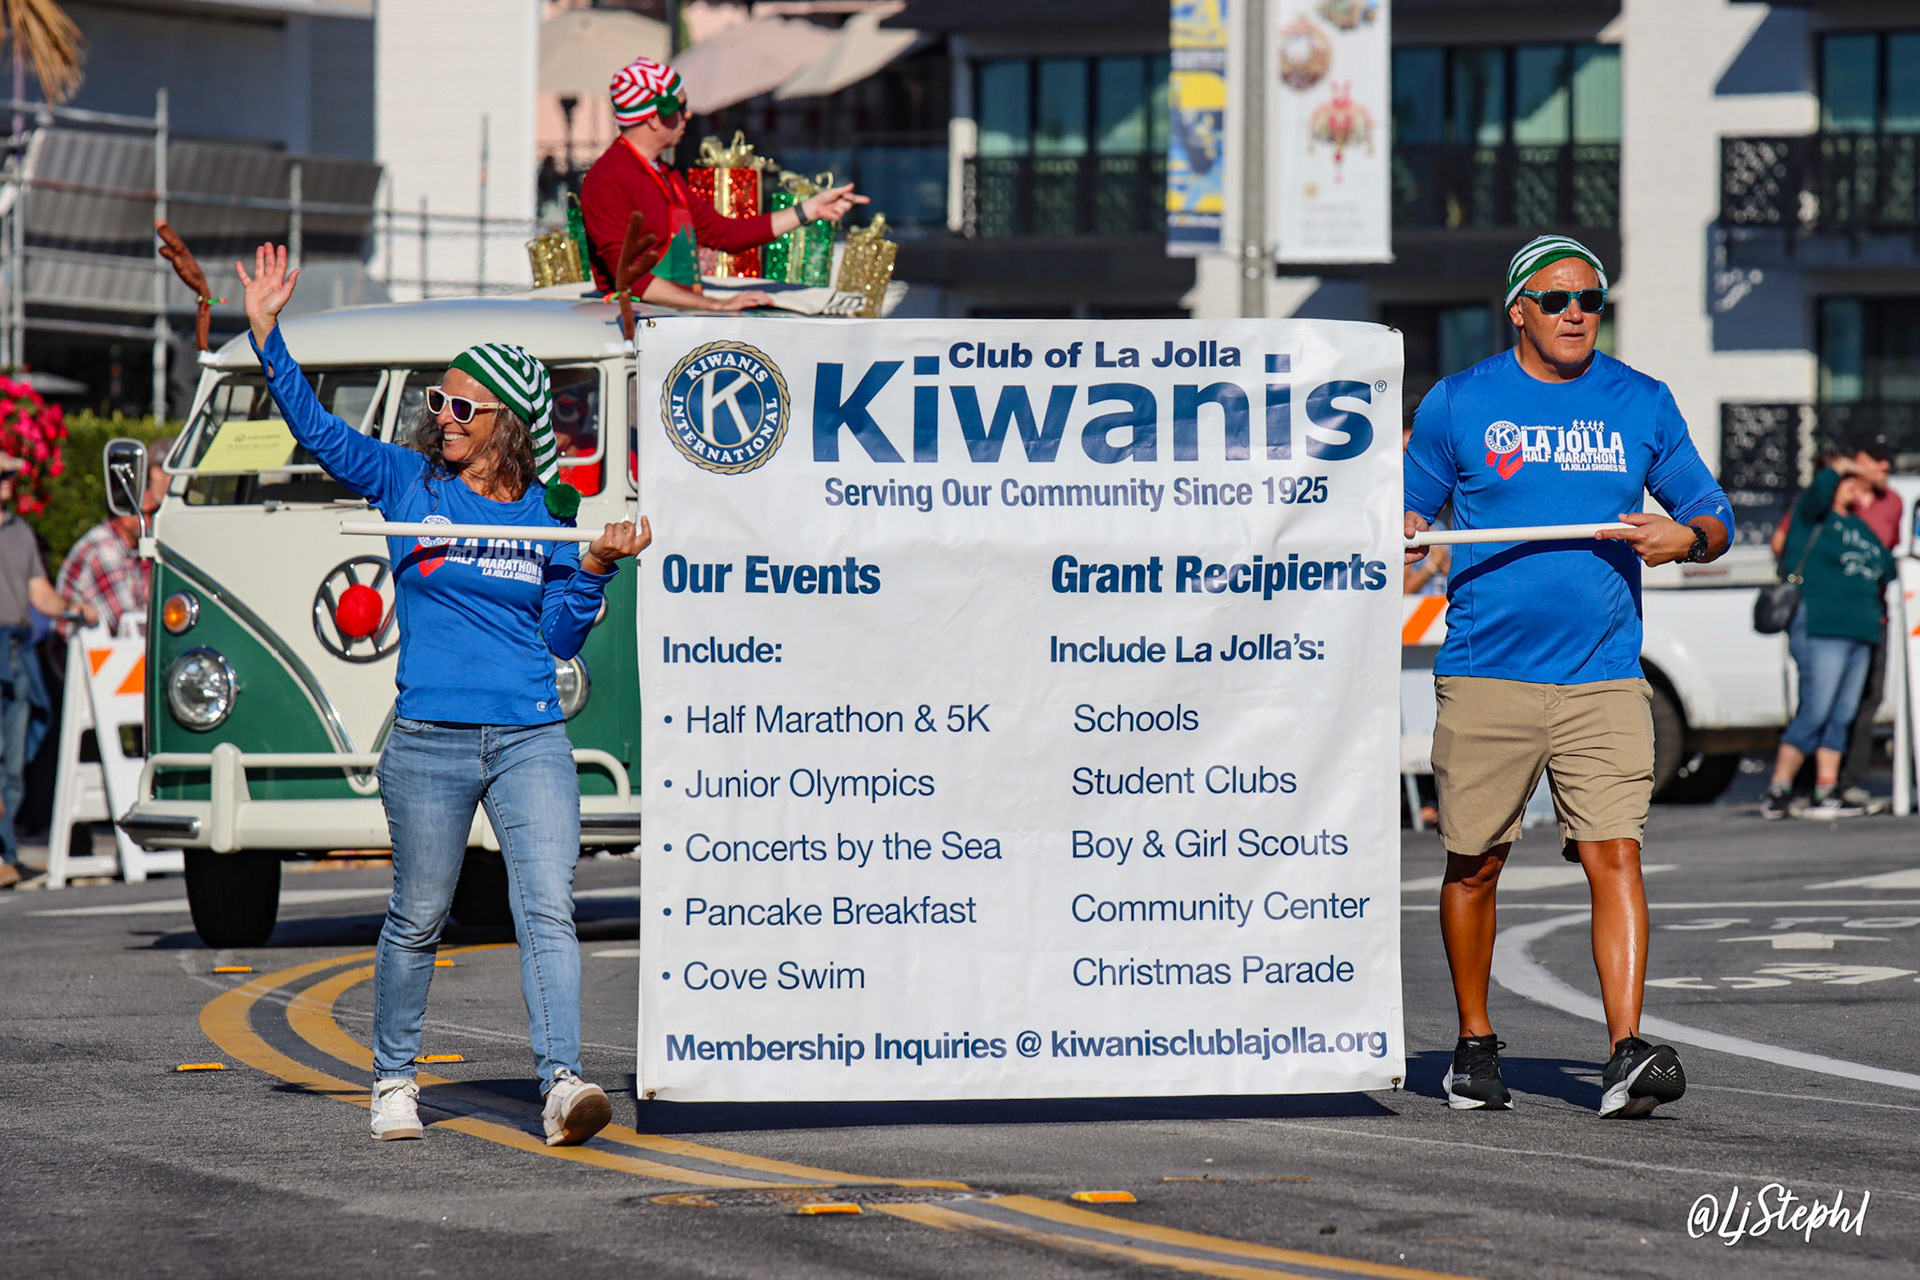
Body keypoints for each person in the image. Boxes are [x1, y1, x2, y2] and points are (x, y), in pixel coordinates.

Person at [237, 243, 649, 1143]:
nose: (443, 416)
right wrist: (268, 335)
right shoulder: (408, 482)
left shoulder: (548, 511)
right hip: (428, 738)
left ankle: (561, 1084)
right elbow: (321, 433)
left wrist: (593, 568)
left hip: (531, 737)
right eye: (438, 401)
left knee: (547, 912)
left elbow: (559, 637)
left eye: (464, 406)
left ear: (509, 422)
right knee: (417, 918)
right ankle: (394, 1079)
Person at [1404, 234, 1734, 1119]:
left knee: (1613, 850)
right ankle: (1474, 1047)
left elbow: (1711, 514)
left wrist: (1686, 538)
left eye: (1591, 298)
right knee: (1476, 863)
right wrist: (1402, 539)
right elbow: (1406, 510)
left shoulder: (1641, 400)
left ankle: (1626, 1050)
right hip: (1487, 674)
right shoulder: (1458, 402)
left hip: (1604, 674)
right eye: (1556, 299)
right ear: (1520, 310)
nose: (1576, 313)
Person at [578, 55, 867, 307]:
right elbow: (628, 275)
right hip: (636, 330)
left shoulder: (664, 175)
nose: (688, 115)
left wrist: (809, 210)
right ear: (654, 118)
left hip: (671, 321)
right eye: (681, 107)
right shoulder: (609, 177)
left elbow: (726, 234)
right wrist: (714, 305)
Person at [1760, 456, 1894, 820]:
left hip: (1861, 629)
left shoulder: (1861, 526)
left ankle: (1826, 788)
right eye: (1846, 482)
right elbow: (1820, 489)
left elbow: (1887, 567)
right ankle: (1779, 788)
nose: (1852, 487)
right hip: (1821, 625)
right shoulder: (1812, 515)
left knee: (1842, 714)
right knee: (1816, 709)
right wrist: (1848, 467)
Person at [1, 454, 99, 888]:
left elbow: (39, 593)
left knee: (15, 762)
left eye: (10, 475)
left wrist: (72, 607)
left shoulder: (20, 532)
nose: (8, 481)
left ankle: (6, 852)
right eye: (2, 474)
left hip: (16, 652)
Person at [1834, 433, 1900, 811]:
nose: (1885, 465)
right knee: (1831, 698)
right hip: (1835, 615)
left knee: (1868, 698)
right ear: (1857, 459)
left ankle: (1849, 781)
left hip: (1874, 614)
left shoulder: (1893, 502)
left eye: (1887, 456)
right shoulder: (1836, 496)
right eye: (1876, 457)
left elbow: (1890, 556)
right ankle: (1820, 780)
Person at [55, 439, 173, 636]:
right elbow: (128, 621)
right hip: (81, 651)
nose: (153, 520)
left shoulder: (132, 548)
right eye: (148, 513)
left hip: (114, 648)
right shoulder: (103, 549)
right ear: (124, 513)